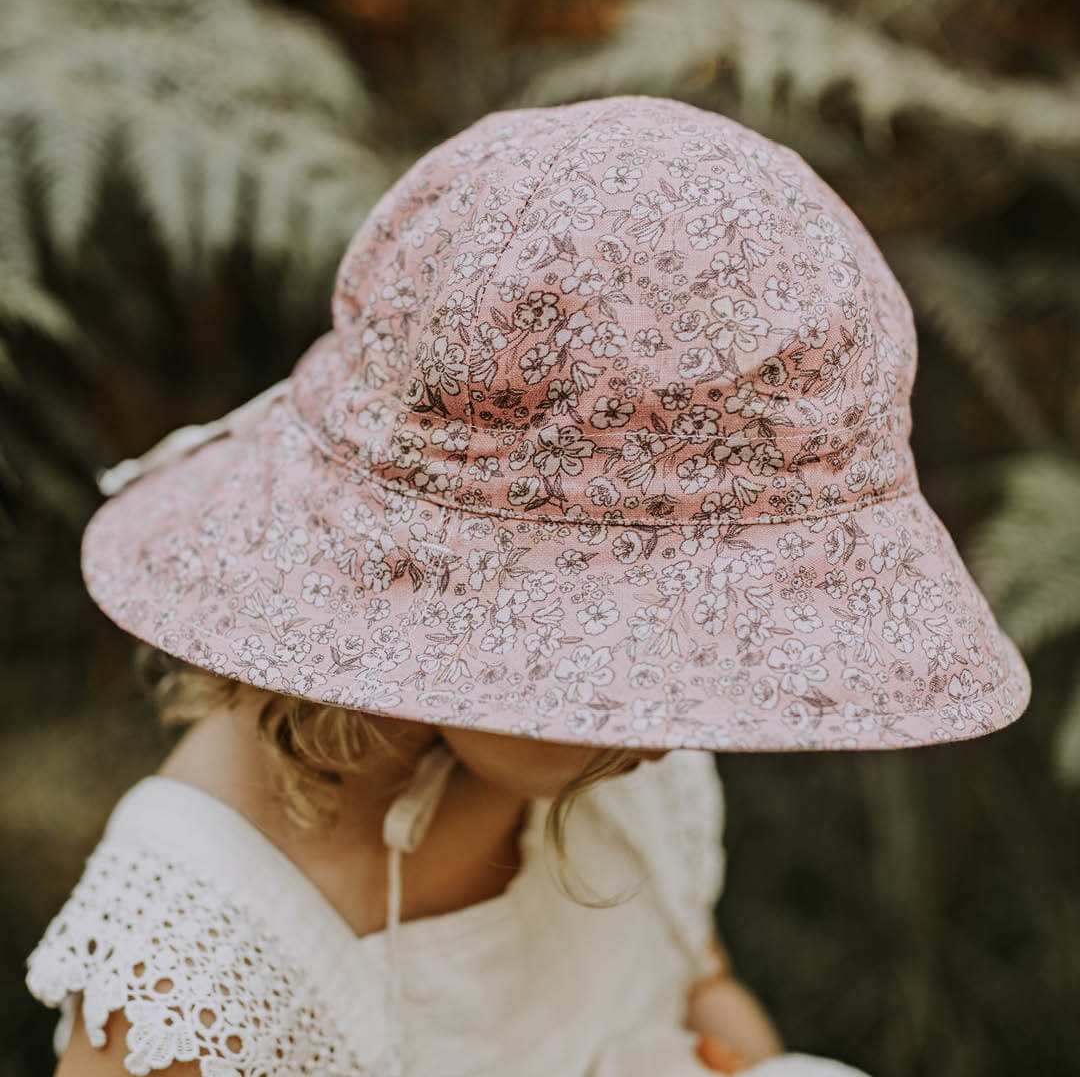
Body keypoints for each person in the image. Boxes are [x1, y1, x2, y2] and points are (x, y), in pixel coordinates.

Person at [26, 95, 1029, 1076]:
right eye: (634, 631)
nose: (675, 710)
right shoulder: (198, 964)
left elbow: (694, 985)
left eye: (714, 636)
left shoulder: (626, 758)